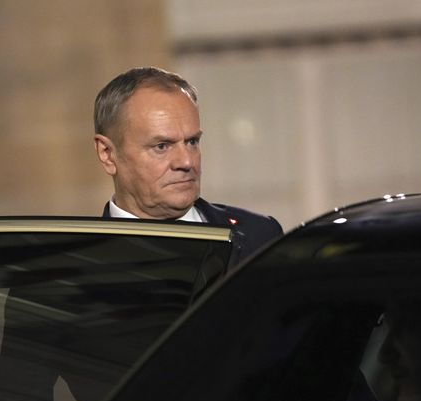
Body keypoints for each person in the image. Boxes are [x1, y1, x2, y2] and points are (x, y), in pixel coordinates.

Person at [93, 66, 283, 265]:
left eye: (192, 142)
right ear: (107, 154)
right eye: (161, 146)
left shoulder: (260, 237)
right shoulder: (79, 261)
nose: (187, 162)